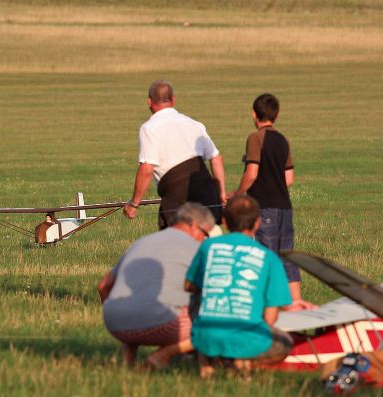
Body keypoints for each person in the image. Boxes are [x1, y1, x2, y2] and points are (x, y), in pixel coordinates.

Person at [185, 195, 294, 378]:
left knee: (198, 293)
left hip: (204, 335)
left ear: (225, 222)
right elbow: (270, 317)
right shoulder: (269, 258)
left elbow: (188, 285)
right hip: (247, 339)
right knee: (284, 343)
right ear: (257, 223)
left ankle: (209, 361)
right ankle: (241, 361)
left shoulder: (207, 247)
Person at [98, 203, 215, 367]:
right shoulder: (198, 249)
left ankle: (128, 359)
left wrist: (118, 312)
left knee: (137, 305)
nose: (204, 239)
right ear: (195, 226)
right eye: (205, 234)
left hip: (115, 323)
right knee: (215, 329)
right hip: (161, 324)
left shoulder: (140, 242)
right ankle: (162, 355)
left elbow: (103, 286)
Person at [229, 93, 315, 311]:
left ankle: (267, 308)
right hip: (285, 206)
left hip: (264, 207)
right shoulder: (283, 139)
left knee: (264, 257)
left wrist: (238, 194)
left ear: (253, 114)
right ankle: (296, 305)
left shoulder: (255, 138)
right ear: (276, 115)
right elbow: (289, 178)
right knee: (287, 256)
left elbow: (252, 172)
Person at [123, 80, 226, 229]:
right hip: (206, 192)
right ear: (173, 100)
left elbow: (147, 168)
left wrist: (134, 204)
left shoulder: (150, 128)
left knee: (177, 247)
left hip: (178, 197)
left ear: (149, 102)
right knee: (206, 245)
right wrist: (221, 194)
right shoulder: (194, 124)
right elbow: (216, 158)